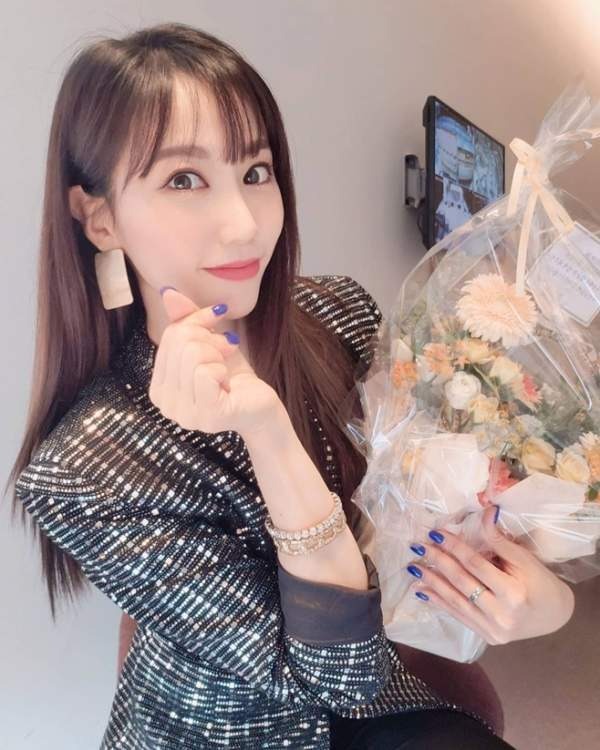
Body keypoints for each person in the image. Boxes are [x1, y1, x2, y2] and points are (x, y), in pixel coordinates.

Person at [6, 21, 573, 749]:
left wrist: (546, 599)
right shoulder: (85, 469)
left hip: (378, 704)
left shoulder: (339, 313)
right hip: (223, 731)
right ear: (100, 217)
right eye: (183, 179)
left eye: (255, 172)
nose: (243, 223)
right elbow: (341, 675)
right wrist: (267, 431)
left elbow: (425, 519)